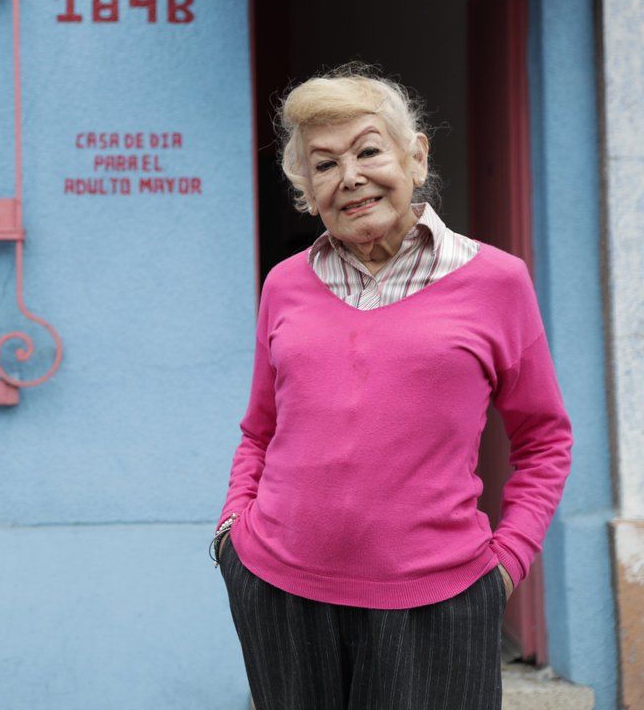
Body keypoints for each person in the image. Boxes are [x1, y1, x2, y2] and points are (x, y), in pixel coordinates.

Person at [212, 64, 573, 710]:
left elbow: (544, 439)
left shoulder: (497, 282)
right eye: (324, 165)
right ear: (308, 192)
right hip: (280, 595)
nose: (349, 177)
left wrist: (507, 562)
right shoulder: (284, 285)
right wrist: (232, 531)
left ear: (416, 157)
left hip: (440, 604)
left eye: (368, 151)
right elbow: (260, 430)